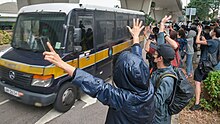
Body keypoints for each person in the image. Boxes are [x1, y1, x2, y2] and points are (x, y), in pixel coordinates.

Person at [43, 19, 155, 124]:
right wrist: (135, 37)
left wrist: (62, 64)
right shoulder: (148, 86)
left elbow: (96, 85)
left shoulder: (124, 100)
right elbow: (137, 63)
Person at [190, 25, 220, 111]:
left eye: (212, 30)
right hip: (211, 65)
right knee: (206, 82)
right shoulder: (217, 42)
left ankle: (197, 103)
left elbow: (197, 41)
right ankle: (207, 99)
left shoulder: (212, 41)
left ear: (214, 33)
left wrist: (199, 32)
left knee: (197, 82)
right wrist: (203, 38)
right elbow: (207, 44)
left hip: (203, 65)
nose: (210, 31)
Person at [150, 44, 176, 124]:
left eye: (156, 53)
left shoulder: (167, 80)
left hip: (159, 119)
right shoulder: (160, 70)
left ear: (160, 58)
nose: (153, 54)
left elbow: (156, 102)